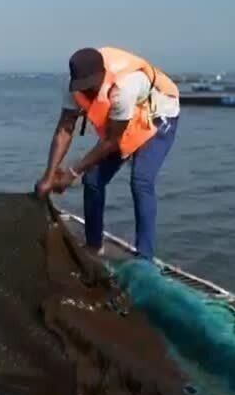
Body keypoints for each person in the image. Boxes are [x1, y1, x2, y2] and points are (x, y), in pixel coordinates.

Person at [35, 47, 180, 261]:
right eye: (81, 88)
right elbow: (65, 128)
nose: (86, 92)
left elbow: (112, 141)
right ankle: (94, 246)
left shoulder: (124, 87)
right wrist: (48, 177)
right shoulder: (75, 85)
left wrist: (71, 173)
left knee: (141, 181)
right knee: (93, 180)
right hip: (125, 119)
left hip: (159, 114)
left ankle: (145, 258)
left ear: (102, 75)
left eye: (90, 87)